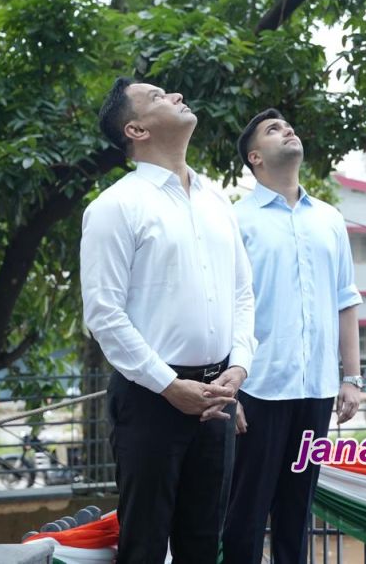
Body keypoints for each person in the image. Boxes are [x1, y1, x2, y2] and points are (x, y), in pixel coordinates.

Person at [81, 78, 256, 564]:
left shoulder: (217, 200)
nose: (177, 96)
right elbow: (104, 314)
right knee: (145, 544)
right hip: (149, 400)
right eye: (158, 97)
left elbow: (242, 294)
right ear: (135, 130)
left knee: (203, 542)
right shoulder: (115, 206)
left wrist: (239, 366)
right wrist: (168, 385)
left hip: (217, 395)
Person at [223, 109, 364, 564]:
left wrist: (351, 378)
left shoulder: (329, 218)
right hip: (256, 388)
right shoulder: (234, 220)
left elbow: (346, 299)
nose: (287, 130)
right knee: (245, 512)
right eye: (273, 130)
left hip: (317, 389)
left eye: (287, 126)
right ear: (255, 157)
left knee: (297, 511)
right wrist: (228, 390)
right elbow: (222, 307)